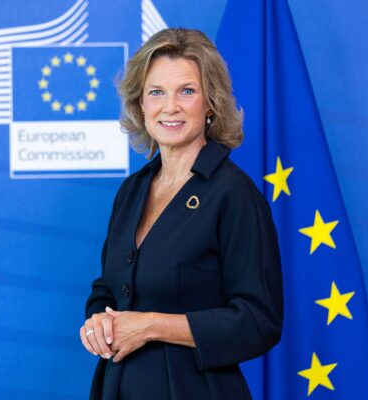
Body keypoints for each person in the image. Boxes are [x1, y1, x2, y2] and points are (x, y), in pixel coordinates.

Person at [80, 28, 283, 400]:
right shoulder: (132, 191)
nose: (170, 106)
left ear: (210, 104)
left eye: (186, 91)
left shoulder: (234, 194)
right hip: (119, 387)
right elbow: (109, 287)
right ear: (141, 104)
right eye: (156, 92)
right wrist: (97, 321)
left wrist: (151, 326)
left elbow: (260, 320)